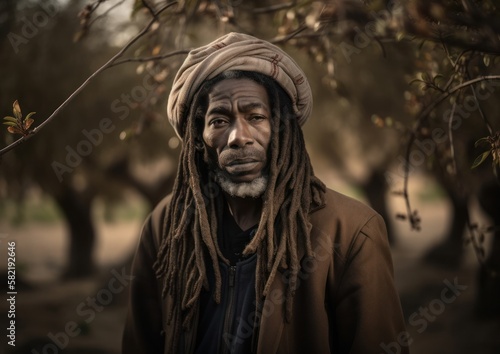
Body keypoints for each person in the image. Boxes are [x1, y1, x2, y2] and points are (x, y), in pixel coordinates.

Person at [122, 32, 408, 354]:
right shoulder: (166, 226)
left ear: (283, 128)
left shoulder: (351, 230)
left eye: (256, 117)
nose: (237, 137)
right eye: (219, 120)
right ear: (198, 139)